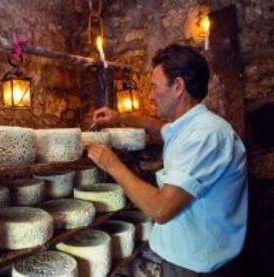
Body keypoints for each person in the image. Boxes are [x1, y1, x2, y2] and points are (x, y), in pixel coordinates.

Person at [87, 44, 248, 277]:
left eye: (154, 87)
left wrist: (111, 164)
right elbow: (160, 128)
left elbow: (161, 209)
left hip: (195, 267)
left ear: (178, 86)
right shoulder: (190, 126)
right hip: (184, 257)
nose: (150, 96)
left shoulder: (205, 135)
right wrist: (121, 117)